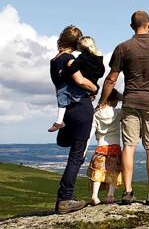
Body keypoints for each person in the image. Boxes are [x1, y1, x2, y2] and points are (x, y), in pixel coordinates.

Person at [98, 10, 149, 207]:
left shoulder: (123, 48)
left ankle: (128, 192)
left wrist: (102, 101)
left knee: (129, 146)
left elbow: (111, 79)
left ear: (132, 26)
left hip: (130, 103)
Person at [50, 25, 98, 214]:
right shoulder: (69, 59)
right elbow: (79, 80)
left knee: (70, 146)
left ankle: (65, 196)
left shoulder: (54, 60)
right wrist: (93, 88)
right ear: (76, 43)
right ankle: (65, 198)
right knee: (77, 155)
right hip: (81, 108)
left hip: (67, 109)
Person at [49, 36, 105, 132]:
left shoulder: (81, 58)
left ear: (80, 48)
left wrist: (63, 72)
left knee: (62, 93)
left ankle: (59, 121)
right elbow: (102, 72)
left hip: (84, 85)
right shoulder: (99, 57)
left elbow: (73, 69)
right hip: (93, 84)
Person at [87, 89, 123, 206]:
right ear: (114, 100)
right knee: (113, 172)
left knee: (98, 172)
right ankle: (110, 196)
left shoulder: (96, 114)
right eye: (116, 100)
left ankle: (94, 196)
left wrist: (85, 148)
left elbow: (90, 132)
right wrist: (119, 96)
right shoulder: (118, 113)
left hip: (100, 147)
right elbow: (127, 101)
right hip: (115, 147)